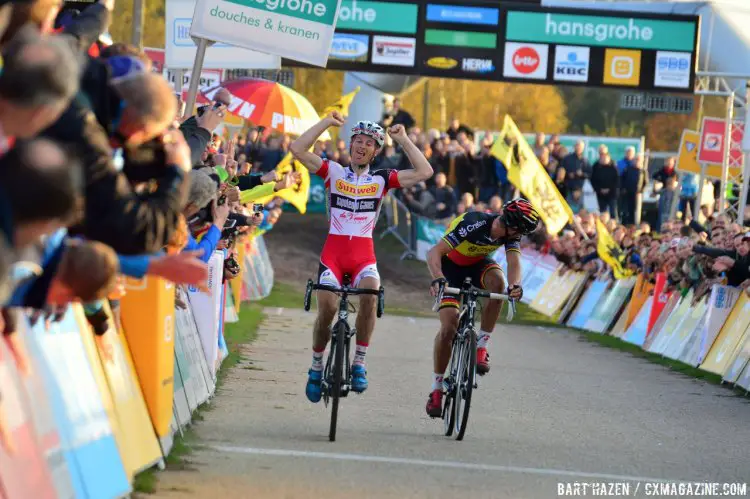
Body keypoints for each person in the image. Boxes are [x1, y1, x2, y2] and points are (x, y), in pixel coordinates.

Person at [290, 111, 433, 402]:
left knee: (370, 292)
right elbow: (297, 149)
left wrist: (403, 139)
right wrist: (327, 123)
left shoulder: (382, 179)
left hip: (363, 256)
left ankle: (359, 362)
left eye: (369, 142)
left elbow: (424, 171)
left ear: (375, 151)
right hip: (333, 253)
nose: (362, 145)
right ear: (351, 143)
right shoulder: (333, 171)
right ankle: (316, 366)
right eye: (358, 140)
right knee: (327, 310)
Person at [424, 199, 540, 417]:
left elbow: (514, 263)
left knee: (499, 285)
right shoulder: (474, 222)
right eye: (521, 230)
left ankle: (481, 346)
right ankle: (437, 389)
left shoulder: (511, 234)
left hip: (477, 264)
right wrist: (438, 278)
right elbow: (434, 253)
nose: (520, 235)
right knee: (449, 326)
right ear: (511, 224)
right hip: (449, 268)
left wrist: (516, 286)